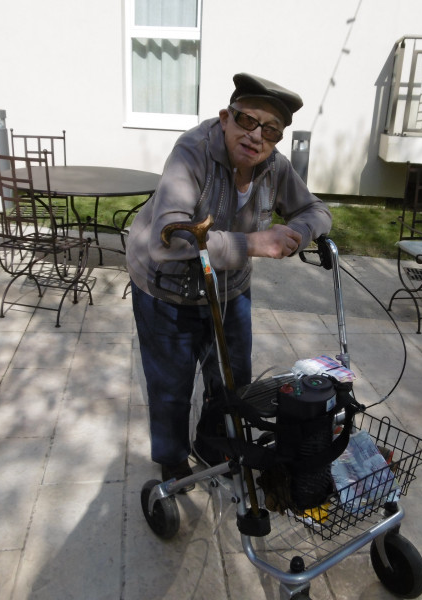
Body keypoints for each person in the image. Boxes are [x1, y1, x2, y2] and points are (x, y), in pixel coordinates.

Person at [126, 73, 333, 491]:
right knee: (172, 385)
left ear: (277, 140)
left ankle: (211, 440)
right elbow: (170, 238)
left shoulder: (274, 167)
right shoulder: (192, 153)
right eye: (247, 120)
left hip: (229, 286)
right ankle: (171, 460)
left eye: (270, 130)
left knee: (234, 377)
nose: (256, 136)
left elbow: (316, 209)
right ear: (226, 118)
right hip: (167, 288)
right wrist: (255, 242)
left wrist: (299, 235)